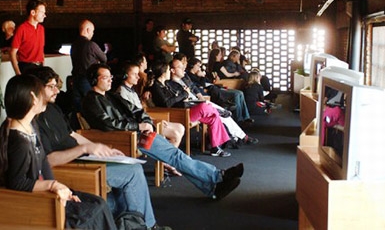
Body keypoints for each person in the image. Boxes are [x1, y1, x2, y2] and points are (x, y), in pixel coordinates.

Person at [26, 66, 170, 230]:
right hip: (68, 165)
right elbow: (49, 160)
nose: (57, 91)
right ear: (36, 89)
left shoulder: (53, 108)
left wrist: (98, 148)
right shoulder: (33, 120)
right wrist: (85, 149)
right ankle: (146, 226)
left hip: (82, 158)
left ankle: (135, 223)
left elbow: (72, 134)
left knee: (132, 166)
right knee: (132, 173)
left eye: (56, 86)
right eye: (50, 87)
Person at [82, 63, 243, 200]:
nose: (110, 80)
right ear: (94, 80)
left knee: (176, 156)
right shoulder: (91, 100)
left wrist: (145, 121)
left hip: (137, 135)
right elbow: (107, 123)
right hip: (126, 138)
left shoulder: (112, 96)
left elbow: (136, 110)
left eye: (110, 76)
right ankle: (217, 178)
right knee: (175, 156)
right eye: (105, 77)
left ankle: (213, 186)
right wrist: (138, 127)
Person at [0, 74, 116, 229]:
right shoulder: (18, 139)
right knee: (91, 214)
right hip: (33, 201)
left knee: (98, 202)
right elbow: (18, 182)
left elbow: (43, 162)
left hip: (46, 191)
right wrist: (53, 186)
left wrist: (63, 191)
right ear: (32, 97)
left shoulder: (31, 125)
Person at [150, 60, 232, 156]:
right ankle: (218, 111)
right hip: (177, 113)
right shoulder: (156, 86)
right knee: (203, 106)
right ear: (163, 72)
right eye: (168, 70)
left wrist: (183, 95)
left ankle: (215, 148)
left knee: (212, 118)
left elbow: (176, 97)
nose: (169, 72)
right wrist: (184, 94)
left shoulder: (166, 84)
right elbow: (167, 103)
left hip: (183, 109)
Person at [168, 58, 257, 146]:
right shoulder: (170, 84)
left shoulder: (185, 78)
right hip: (190, 106)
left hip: (198, 102)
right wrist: (187, 94)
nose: (184, 68)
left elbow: (194, 87)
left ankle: (239, 136)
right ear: (172, 70)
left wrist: (199, 95)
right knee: (221, 114)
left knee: (223, 116)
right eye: (180, 67)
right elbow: (178, 100)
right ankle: (239, 136)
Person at [117, 61, 185, 148]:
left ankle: (167, 158)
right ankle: (166, 160)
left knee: (180, 127)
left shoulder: (132, 90)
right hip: (140, 127)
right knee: (175, 135)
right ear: (125, 75)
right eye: (134, 74)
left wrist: (154, 119)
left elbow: (140, 110)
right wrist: (153, 121)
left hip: (146, 120)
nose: (138, 77)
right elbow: (131, 115)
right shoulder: (122, 92)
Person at [187, 57, 255, 126]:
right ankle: (239, 119)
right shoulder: (190, 76)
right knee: (236, 95)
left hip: (216, 87)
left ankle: (246, 117)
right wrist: (202, 77)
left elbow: (209, 82)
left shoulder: (198, 74)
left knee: (240, 93)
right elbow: (201, 86)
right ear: (192, 65)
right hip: (212, 91)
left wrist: (213, 79)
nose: (199, 68)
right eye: (198, 65)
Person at [71, 19, 107, 117]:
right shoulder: (91, 45)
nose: (93, 33)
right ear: (87, 30)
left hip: (75, 79)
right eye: (92, 31)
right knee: (92, 107)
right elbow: (104, 58)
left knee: (78, 110)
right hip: (87, 80)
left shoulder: (73, 45)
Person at [10, 0, 46, 75]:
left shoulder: (41, 29)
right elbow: (13, 52)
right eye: (42, 12)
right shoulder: (22, 28)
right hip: (26, 67)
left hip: (39, 66)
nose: (44, 15)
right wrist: (18, 73)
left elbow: (41, 50)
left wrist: (43, 65)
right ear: (32, 12)